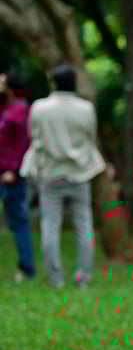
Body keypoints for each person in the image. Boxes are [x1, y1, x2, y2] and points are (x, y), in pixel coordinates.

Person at [19, 66, 106, 288]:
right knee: (84, 226)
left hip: (50, 173)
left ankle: (56, 279)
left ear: (54, 83)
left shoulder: (40, 107)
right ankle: (84, 278)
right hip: (80, 172)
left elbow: (34, 137)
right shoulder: (86, 108)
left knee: (50, 225)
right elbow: (90, 137)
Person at [0, 71, 35, 282]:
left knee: (17, 220)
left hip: (10, 173)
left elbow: (23, 144)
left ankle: (27, 267)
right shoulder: (7, 108)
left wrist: (13, 170)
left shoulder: (20, 110)